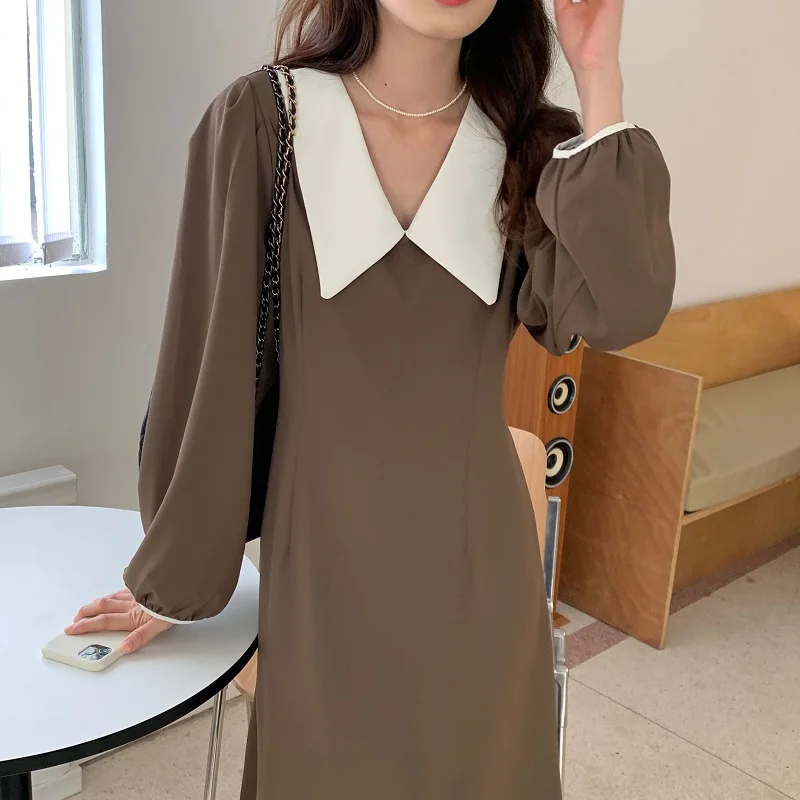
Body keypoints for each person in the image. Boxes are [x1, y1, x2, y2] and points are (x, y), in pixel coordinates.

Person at [69, 0, 675, 796]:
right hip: (322, 580)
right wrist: (179, 578)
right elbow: (208, 368)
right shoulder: (266, 122)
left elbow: (621, 310)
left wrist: (600, 77)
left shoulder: (529, 145)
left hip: (481, 582)